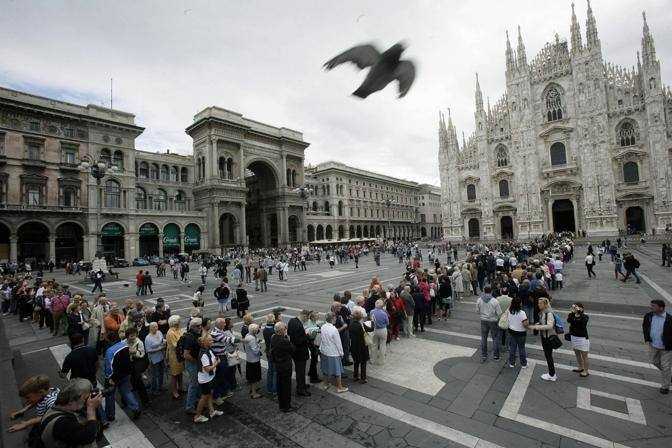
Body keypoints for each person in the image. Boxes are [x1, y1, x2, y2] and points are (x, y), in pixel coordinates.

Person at [38, 379, 102, 447]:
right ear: (71, 401)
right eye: (85, 399)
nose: (87, 401)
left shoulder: (56, 408)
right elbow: (89, 436)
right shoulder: (62, 423)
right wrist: (91, 409)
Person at [103, 333, 141, 420]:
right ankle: (135, 408)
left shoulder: (110, 351)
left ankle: (110, 415)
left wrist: (110, 378)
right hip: (126, 374)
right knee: (127, 392)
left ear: (109, 340)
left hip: (115, 376)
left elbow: (109, 366)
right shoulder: (124, 346)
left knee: (110, 395)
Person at [642, 299, 672, 394]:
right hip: (653, 344)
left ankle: (665, 386)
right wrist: (647, 339)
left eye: (653, 306)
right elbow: (645, 327)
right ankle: (669, 375)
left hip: (666, 347)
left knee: (666, 366)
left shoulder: (669, 319)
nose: (651, 307)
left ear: (661, 308)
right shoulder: (649, 316)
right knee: (654, 362)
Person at [193, 333, 223, 423]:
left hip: (209, 377)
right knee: (204, 397)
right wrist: (216, 363)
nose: (212, 341)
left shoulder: (208, 350)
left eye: (212, 339)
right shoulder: (204, 354)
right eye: (210, 340)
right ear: (204, 342)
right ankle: (197, 416)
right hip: (205, 379)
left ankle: (212, 411)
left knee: (209, 395)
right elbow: (207, 369)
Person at [528, 297, 558, 381]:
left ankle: (552, 374)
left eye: (540, 303)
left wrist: (538, 327)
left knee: (548, 355)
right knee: (548, 355)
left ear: (545, 304)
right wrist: (539, 323)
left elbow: (550, 326)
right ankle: (551, 373)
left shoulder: (549, 313)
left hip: (548, 337)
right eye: (538, 303)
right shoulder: (543, 312)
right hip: (545, 336)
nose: (538, 305)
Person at [318, 312, 348, 393]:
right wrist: (341, 353)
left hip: (324, 351)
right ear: (332, 319)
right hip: (333, 352)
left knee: (325, 368)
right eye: (335, 318)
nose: (335, 319)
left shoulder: (323, 326)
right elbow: (338, 343)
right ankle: (339, 387)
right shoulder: (334, 330)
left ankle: (326, 384)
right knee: (337, 370)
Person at [270, 321, 295, 412]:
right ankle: (286, 406)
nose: (286, 330)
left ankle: (281, 404)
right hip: (285, 366)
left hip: (278, 365)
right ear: (281, 330)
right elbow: (292, 349)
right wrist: (287, 338)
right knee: (286, 386)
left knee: (280, 385)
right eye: (285, 329)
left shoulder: (273, 337)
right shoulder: (284, 340)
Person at [182, 318, 203, 415]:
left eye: (200, 325)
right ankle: (189, 406)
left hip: (195, 362)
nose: (200, 327)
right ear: (192, 327)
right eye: (198, 326)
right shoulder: (189, 338)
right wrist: (196, 361)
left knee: (197, 383)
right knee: (193, 384)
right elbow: (186, 355)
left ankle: (196, 400)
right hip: (192, 363)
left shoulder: (195, 334)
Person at [287, 310, 311, 397]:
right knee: (300, 371)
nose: (307, 319)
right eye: (307, 317)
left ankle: (302, 385)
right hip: (300, 352)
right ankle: (300, 389)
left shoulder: (292, 321)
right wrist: (306, 336)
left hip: (295, 351)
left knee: (300, 370)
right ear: (304, 315)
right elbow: (298, 341)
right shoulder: (298, 324)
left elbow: (289, 333)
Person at [477, 286, 502, 363]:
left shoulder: (479, 300)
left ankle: (484, 355)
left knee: (484, 338)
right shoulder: (495, 301)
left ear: (484, 291)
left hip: (483, 320)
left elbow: (477, 311)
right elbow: (499, 313)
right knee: (495, 338)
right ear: (491, 291)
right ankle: (496, 356)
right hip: (493, 321)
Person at [349, 308, 372, 383]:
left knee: (356, 362)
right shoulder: (361, 326)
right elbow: (370, 329)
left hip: (353, 346)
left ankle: (355, 376)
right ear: (361, 317)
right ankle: (363, 378)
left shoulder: (351, 324)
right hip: (362, 347)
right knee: (363, 362)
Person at [567, 302, 590, 377]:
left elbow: (583, 324)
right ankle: (580, 367)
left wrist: (579, 312)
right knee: (577, 354)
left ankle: (586, 371)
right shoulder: (572, 315)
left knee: (584, 355)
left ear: (581, 308)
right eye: (574, 307)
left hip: (582, 338)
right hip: (574, 337)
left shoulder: (585, 316)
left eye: (577, 307)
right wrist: (572, 312)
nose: (575, 308)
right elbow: (568, 320)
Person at [165, 315, 185, 400]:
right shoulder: (171, 332)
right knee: (174, 374)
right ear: (175, 323)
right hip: (174, 356)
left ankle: (180, 387)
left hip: (179, 355)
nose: (180, 323)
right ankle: (174, 391)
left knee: (180, 372)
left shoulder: (178, 330)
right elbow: (175, 344)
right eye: (179, 322)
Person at [506, 297, 528, 368]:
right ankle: (523, 363)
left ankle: (512, 363)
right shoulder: (522, 313)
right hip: (521, 333)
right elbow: (525, 324)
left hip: (511, 331)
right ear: (519, 304)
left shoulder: (509, 311)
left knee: (512, 348)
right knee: (521, 348)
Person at [145, 322, 166, 395]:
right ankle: (154, 389)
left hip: (161, 356)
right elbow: (148, 350)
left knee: (161, 373)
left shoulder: (159, 333)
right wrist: (159, 348)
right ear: (150, 328)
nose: (156, 328)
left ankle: (160, 387)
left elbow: (162, 340)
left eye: (156, 326)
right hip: (154, 359)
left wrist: (164, 343)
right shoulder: (148, 338)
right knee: (154, 374)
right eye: (154, 327)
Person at [243, 323, 263, 398]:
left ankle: (252, 389)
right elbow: (255, 350)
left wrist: (257, 341)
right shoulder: (251, 338)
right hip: (254, 360)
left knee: (252, 377)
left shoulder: (248, 335)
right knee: (254, 377)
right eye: (257, 330)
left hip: (249, 359)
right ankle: (254, 393)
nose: (258, 330)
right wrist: (259, 346)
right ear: (254, 331)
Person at [370, 299, 389, 365]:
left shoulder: (372, 312)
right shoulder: (384, 313)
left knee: (374, 345)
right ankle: (381, 361)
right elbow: (387, 322)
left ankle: (373, 360)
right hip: (382, 330)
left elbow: (371, 320)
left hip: (374, 329)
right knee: (382, 345)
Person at [262, 314, 277, 395]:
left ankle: (269, 388)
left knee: (270, 370)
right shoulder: (273, 330)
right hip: (273, 352)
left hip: (268, 351)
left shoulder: (265, 329)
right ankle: (275, 389)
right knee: (275, 371)